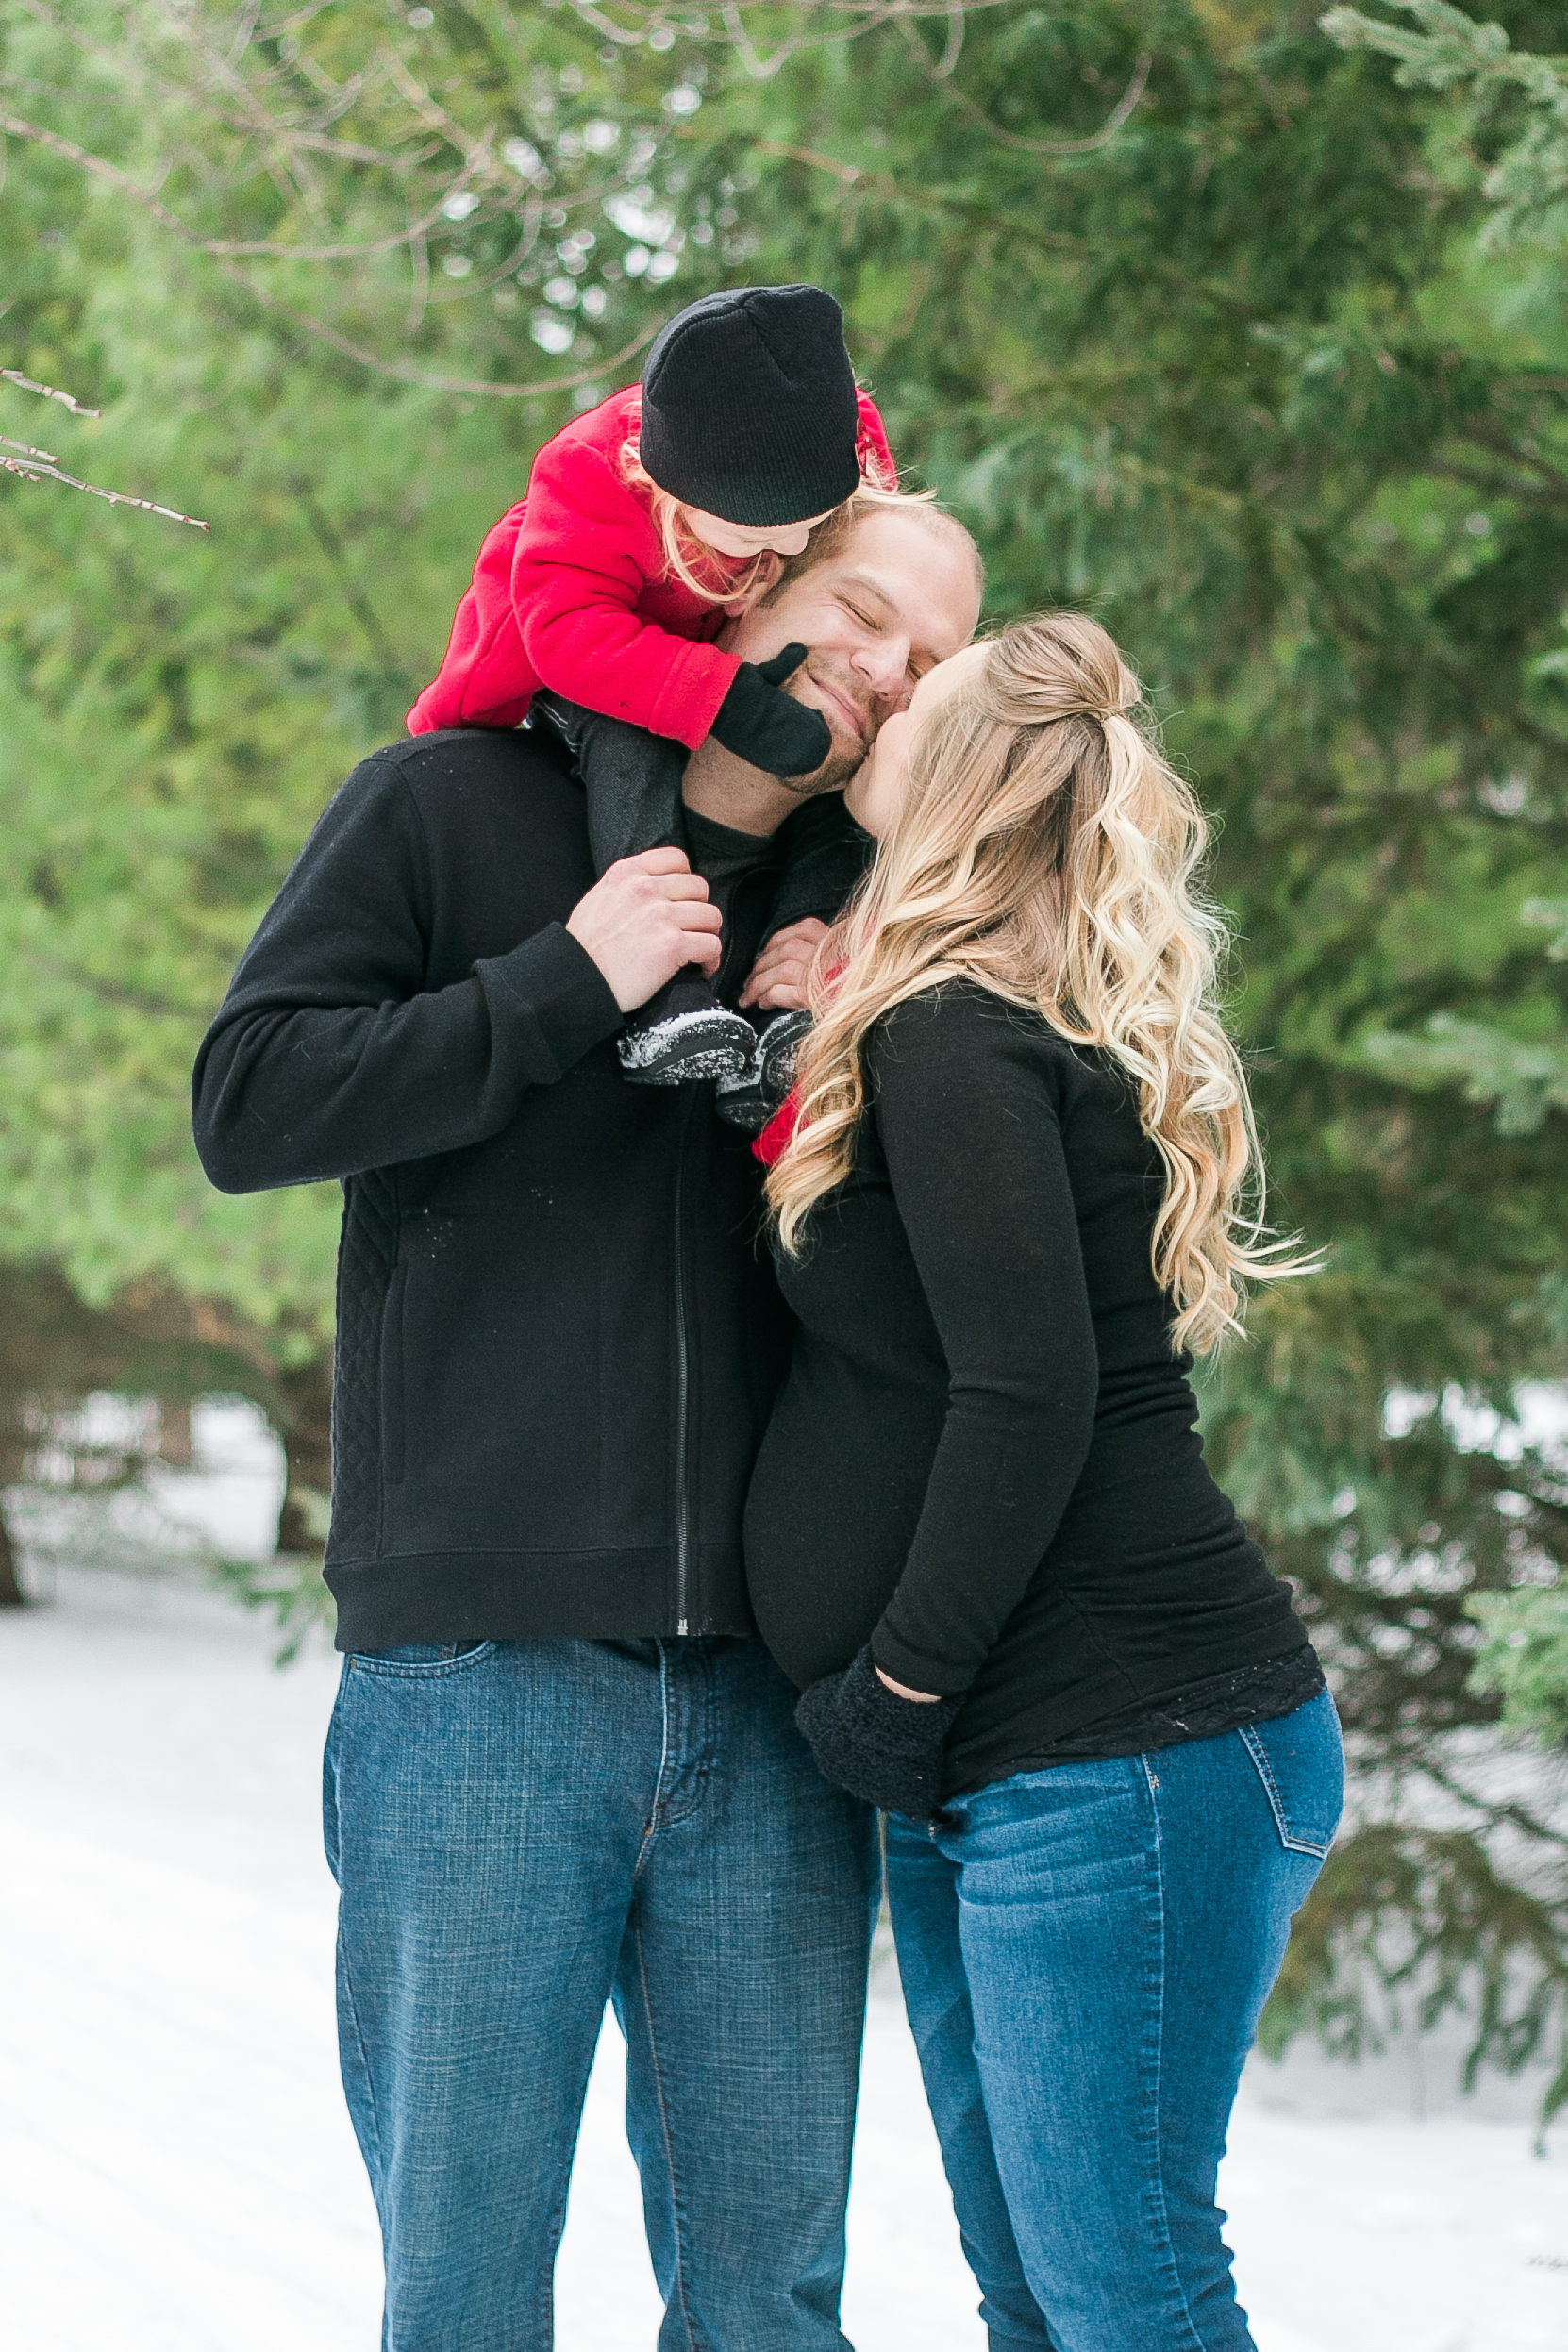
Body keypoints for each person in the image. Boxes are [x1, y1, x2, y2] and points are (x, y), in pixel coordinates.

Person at [190, 488, 983, 2351]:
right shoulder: (451, 801)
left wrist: (854, 1041)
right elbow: (251, 1101)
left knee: (770, 2305)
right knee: (464, 2299)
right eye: (863, 609)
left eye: (931, 657)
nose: (883, 671)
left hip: (773, 1704)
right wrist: (565, 977)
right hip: (482, 1670)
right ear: (753, 581)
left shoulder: (873, 905)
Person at [743, 614, 1344, 2352]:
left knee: (1123, 2289)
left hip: (1118, 1748)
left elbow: (1027, 1397)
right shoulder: (958, 1020)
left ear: (959, 775)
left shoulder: (955, 1032)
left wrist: (896, 1684)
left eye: (912, 695)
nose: (882, 693)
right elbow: (926, 1335)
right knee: (1037, 2290)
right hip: (1007, 1759)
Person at [408, 282, 896, 1098]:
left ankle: (788, 1011)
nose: (797, 544)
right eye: (753, 538)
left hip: (695, 638)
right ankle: (666, 992)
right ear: (670, 492)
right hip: (559, 668)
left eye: (813, 523)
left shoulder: (837, 436)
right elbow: (567, 637)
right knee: (626, 740)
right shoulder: (591, 476)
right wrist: (726, 697)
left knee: (827, 762)